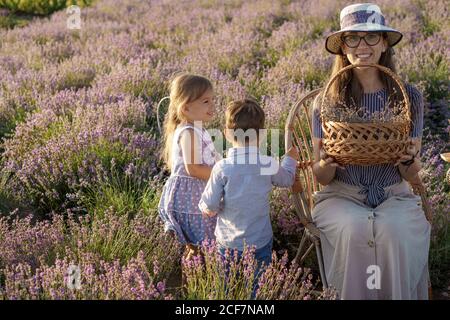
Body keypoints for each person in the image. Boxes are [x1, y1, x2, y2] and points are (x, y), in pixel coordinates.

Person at [311, 3, 430, 299]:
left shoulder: (408, 96)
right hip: (341, 195)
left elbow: (411, 173)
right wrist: (327, 163)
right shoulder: (327, 102)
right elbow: (321, 177)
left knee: (394, 230)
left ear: (384, 43)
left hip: (393, 193)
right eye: (353, 38)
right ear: (343, 47)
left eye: (371, 37)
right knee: (354, 229)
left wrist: (410, 163)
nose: (362, 45)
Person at [199, 98, 299, 296]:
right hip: (259, 240)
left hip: (227, 243)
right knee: (257, 288)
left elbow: (209, 203)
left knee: (226, 288)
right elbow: (287, 180)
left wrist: (208, 209)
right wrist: (290, 159)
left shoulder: (222, 167)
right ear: (261, 136)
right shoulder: (267, 163)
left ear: (227, 135)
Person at [158, 73, 220, 260]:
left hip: (195, 195)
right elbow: (193, 168)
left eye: (212, 100)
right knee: (199, 248)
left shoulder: (197, 129)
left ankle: (194, 283)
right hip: (192, 199)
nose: (212, 105)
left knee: (198, 248)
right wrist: (221, 173)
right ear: (186, 108)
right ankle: (193, 286)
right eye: (205, 102)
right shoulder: (189, 133)